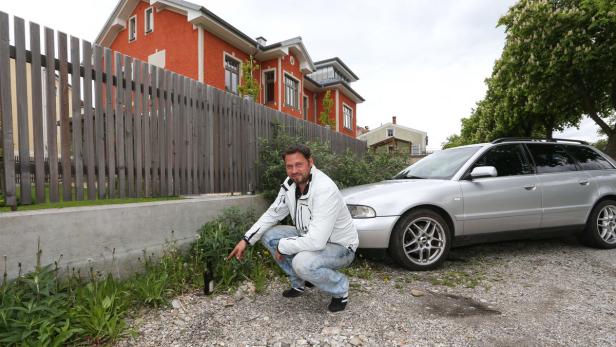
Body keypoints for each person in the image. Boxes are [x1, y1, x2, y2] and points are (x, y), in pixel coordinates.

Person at [227, 144, 359, 312]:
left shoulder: (324, 189)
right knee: (269, 236)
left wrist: (283, 246)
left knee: (301, 262)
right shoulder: (290, 184)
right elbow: (272, 214)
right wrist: (246, 240)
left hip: (341, 247)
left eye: (299, 164)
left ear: (310, 162)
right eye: (289, 166)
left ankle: (340, 289)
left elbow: (317, 241)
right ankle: (300, 282)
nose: (294, 170)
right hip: (309, 236)